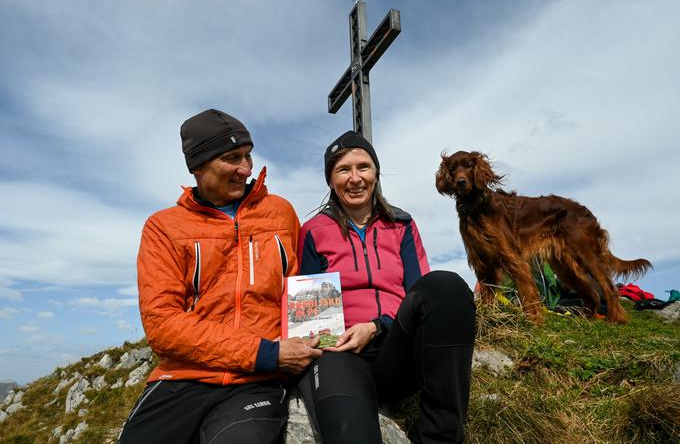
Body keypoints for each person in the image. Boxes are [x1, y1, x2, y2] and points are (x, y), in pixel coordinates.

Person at [118, 109, 322, 444]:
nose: (246, 169)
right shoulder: (163, 227)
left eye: (247, 156)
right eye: (232, 158)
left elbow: (299, 290)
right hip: (180, 379)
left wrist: (311, 345)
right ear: (197, 166)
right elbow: (163, 325)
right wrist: (265, 352)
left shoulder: (280, 212)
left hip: (256, 382)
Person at [297, 131, 476, 444]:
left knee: (446, 286)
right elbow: (312, 321)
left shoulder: (401, 224)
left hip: (397, 346)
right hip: (342, 355)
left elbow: (420, 295)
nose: (355, 178)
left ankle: (439, 436)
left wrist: (377, 327)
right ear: (330, 180)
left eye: (363, 167)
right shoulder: (313, 231)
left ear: (375, 173)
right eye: (343, 170)